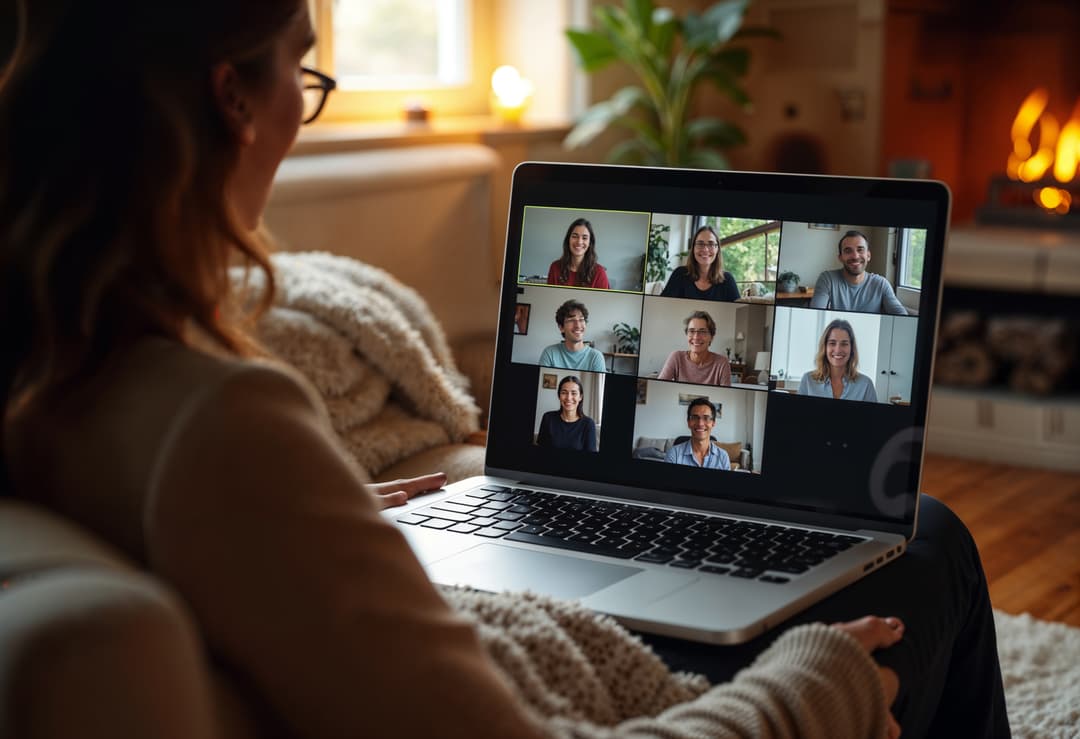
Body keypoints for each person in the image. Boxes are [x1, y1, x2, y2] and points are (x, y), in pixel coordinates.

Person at [0, 2, 1010, 736]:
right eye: (302, 76)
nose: (300, 107)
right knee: (931, 537)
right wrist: (812, 686)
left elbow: (255, 548)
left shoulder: (48, 365)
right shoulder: (220, 426)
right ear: (231, 97)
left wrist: (332, 511)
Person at [809, 230, 908, 315]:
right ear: (840, 258)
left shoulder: (881, 284)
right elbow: (815, 314)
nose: (855, 256)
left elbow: (901, 315)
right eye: (848, 251)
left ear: (868, 255)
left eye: (860, 250)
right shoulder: (827, 279)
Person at [799, 319, 879, 402]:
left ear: (851, 348)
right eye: (832, 343)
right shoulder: (808, 380)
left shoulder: (866, 384)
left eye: (844, 344)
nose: (838, 350)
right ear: (825, 347)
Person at [660, 225, 740, 301]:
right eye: (700, 244)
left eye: (711, 244)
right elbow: (662, 304)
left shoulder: (727, 280)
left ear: (717, 249)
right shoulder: (679, 274)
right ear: (693, 248)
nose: (705, 249)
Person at [657, 310, 732, 386]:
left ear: (711, 337)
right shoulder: (676, 357)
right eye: (691, 331)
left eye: (702, 332)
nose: (696, 337)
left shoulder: (722, 363)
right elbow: (659, 386)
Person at [537, 299, 607, 373]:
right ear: (561, 327)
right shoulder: (550, 353)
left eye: (581, 320)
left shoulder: (596, 357)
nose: (578, 325)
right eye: (571, 320)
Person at [664, 398, 731, 470]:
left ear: (713, 423)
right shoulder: (674, 454)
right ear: (688, 422)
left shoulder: (723, 457)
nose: (700, 424)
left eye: (706, 418)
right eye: (695, 417)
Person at [535, 376, 597, 452]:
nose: (568, 397)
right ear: (559, 396)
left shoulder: (588, 424)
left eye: (574, 393)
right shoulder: (548, 417)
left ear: (580, 397)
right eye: (564, 393)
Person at [546, 218, 610, 289]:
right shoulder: (555, 267)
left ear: (590, 243)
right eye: (575, 236)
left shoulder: (599, 273)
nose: (579, 242)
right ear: (568, 240)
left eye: (584, 238)